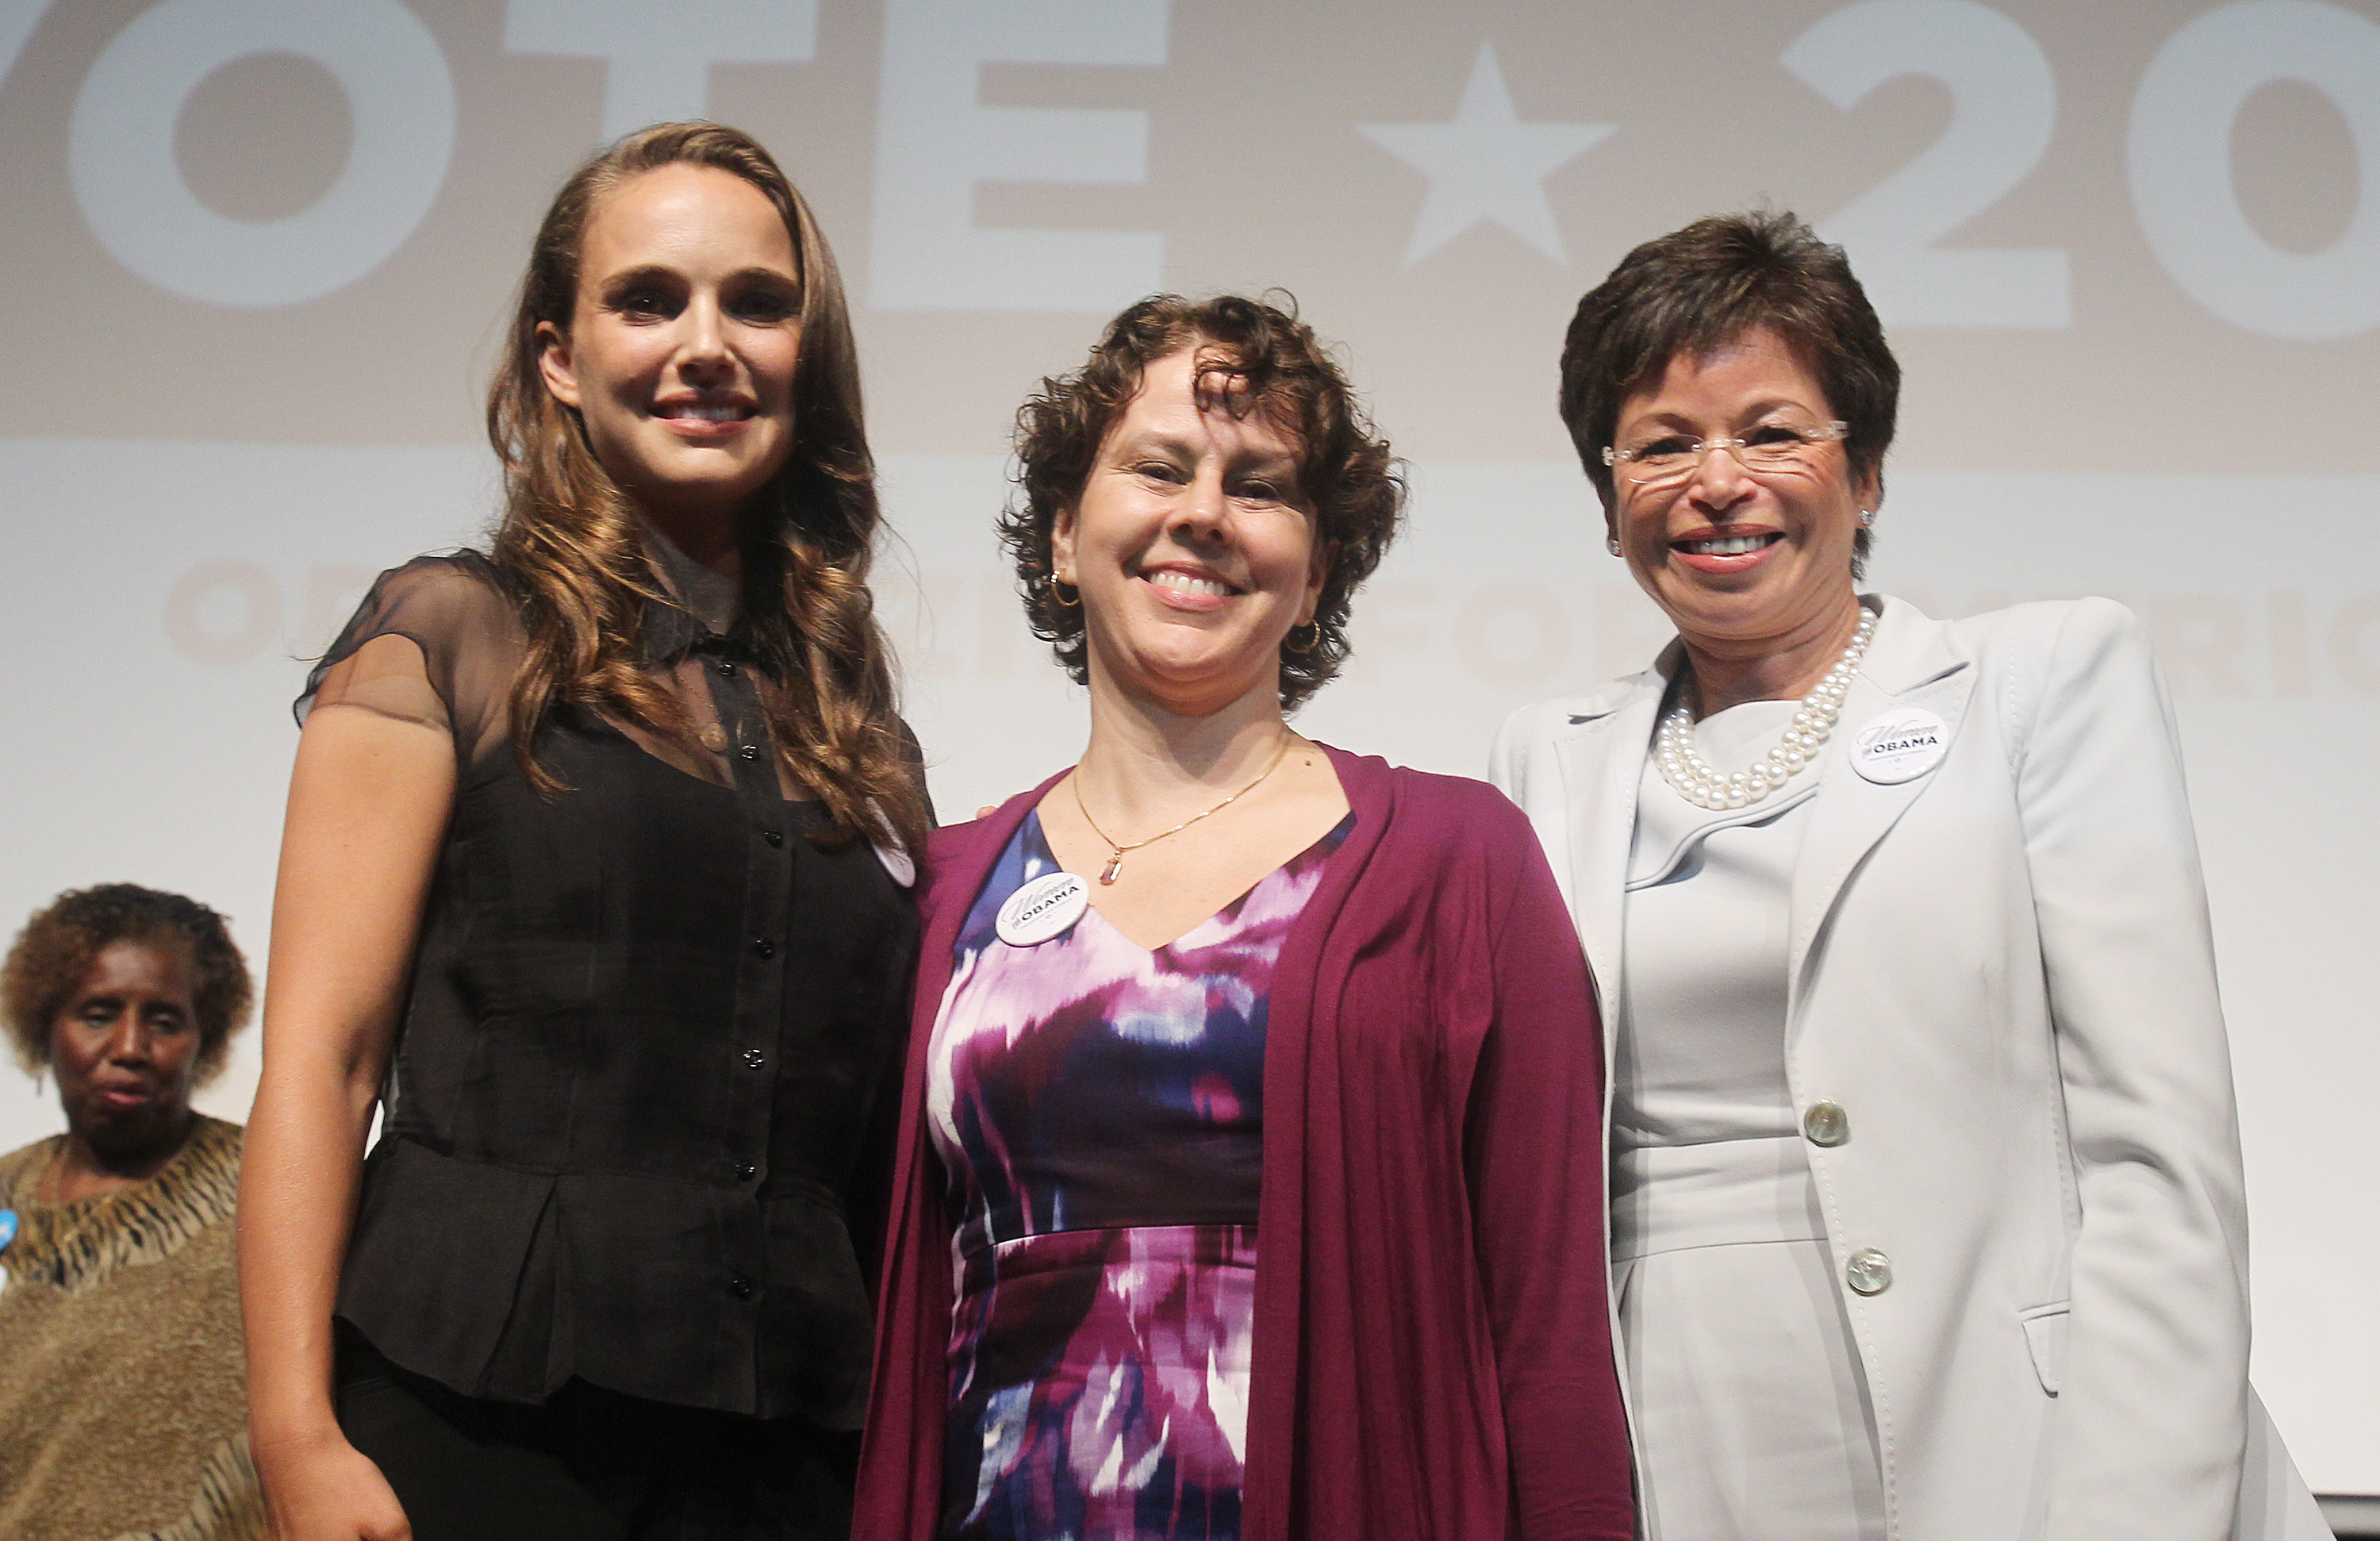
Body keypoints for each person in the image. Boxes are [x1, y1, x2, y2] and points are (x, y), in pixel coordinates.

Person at [1491, 209, 2327, 1541]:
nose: (1719, 482)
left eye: (1772, 431)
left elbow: (2157, 1154)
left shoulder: (2042, 678)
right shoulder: (1546, 756)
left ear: (1866, 471)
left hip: (2026, 1443)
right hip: (1680, 1442)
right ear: (1609, 502)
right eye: (1662, 445)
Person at [238, 122, 930, 1541]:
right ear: (559, 357)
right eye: (648, 300)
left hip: (789, 1454)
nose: (706, 345)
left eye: (756, 303)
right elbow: (324, 1057)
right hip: (474, 1423)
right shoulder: (449, 635)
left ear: (809, 353)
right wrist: (294, 1434)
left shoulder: (859, 732)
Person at [853, 295, 1633, 1541]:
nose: (1203, 513)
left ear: (1316, 573)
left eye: (1258, 485)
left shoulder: (1463, 863)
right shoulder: (942, 889)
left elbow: (1551, 1332)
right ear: (1064, 534)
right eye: (1159, 468)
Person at [0, 884, 263, 1540]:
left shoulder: (266, 1186)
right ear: (45, 1026)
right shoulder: (6, 1192)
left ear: (207, 1036)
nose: (129, 1047)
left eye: (165, 1021)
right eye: (97, 1015)